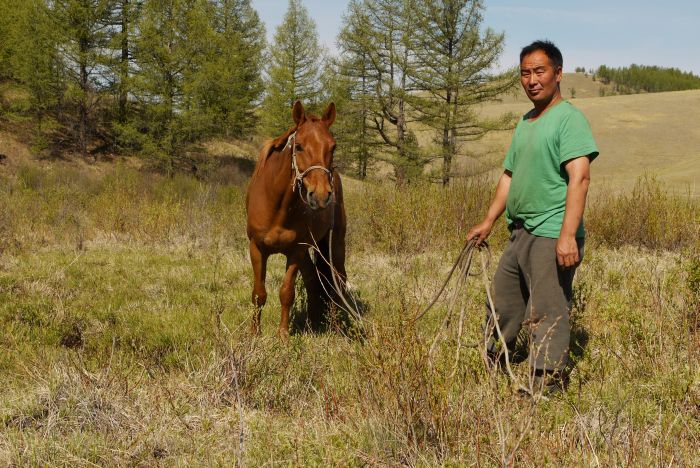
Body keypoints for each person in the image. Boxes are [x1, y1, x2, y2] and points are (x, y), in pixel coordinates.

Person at [467, 40, 599, 395]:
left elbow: (580, 177)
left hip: (552, 231)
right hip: (520, 232)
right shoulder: (526, 122)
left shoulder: (569, 119)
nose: (532, 79)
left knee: (547, 308)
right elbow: (509, 176)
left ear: (558, 73)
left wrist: (568, 234)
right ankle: (494, 363)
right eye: (525, 73)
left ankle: (546, 383)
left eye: (540, 71)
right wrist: (488, 221)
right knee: (504, 301)